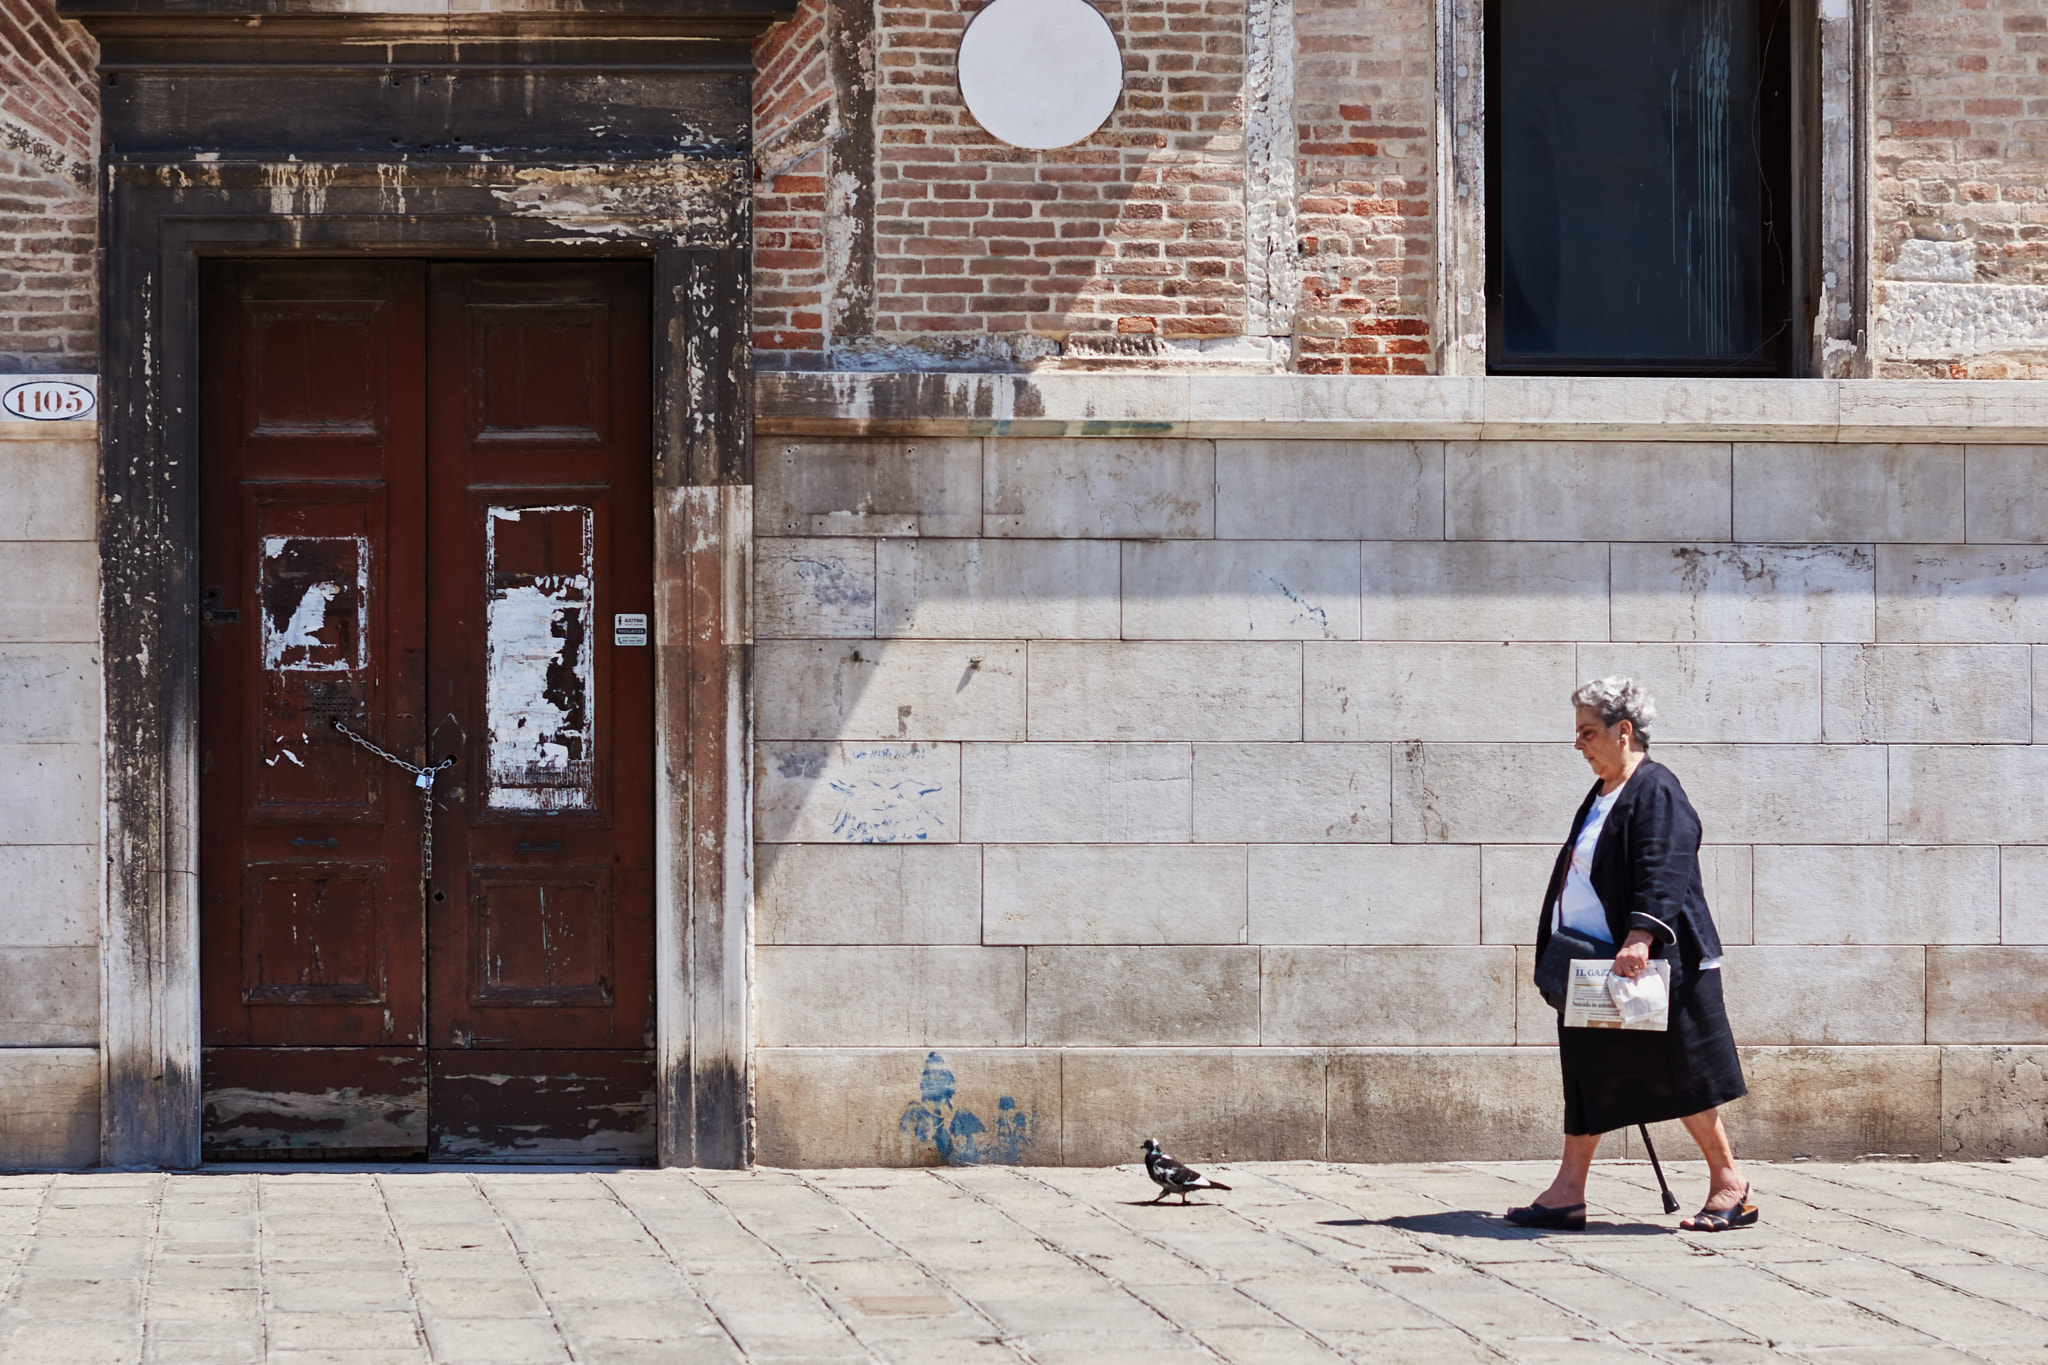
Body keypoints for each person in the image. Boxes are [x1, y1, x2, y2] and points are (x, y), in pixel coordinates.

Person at [1505, 677, 1756, 1233]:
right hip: (1596, 968)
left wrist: (1640, 937)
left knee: (1681, 1074)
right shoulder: (1602, 795)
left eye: (1588, 732)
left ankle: (1729, 1182)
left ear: (1624, 732)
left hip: (1655, 968)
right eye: (1577, 733)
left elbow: (1665, 869)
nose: (1579, 745)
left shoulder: (1656, 789)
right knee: (1589, 1073)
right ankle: (1567, 1192)